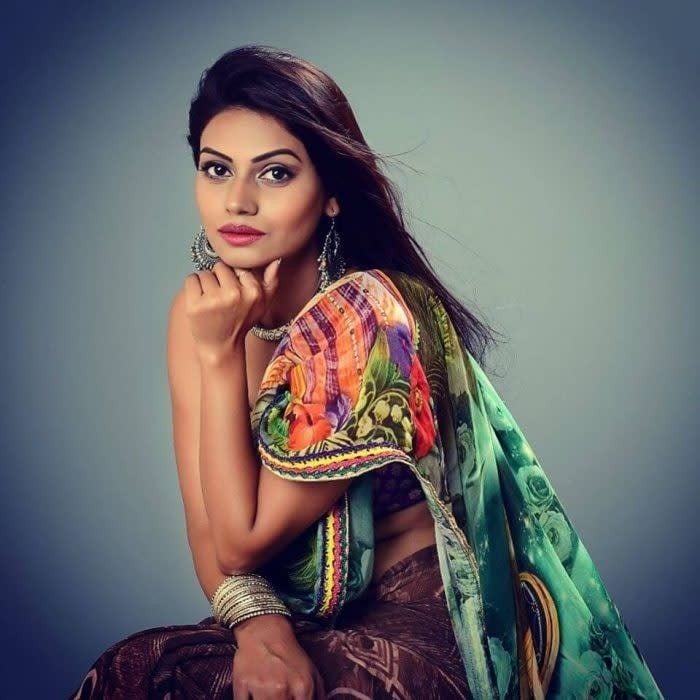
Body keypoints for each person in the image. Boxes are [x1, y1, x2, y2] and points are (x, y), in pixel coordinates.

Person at [70, 44, 663, 699]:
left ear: (330, 195)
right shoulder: (201, 312)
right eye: (217, 169)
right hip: (298, 613)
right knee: (135, 672)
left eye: (275, 174)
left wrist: (218, 361)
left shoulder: (369, 318)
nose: (237, 201)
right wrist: (262, 631)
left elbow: (241, 542)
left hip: (429, 609)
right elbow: (208, 536)